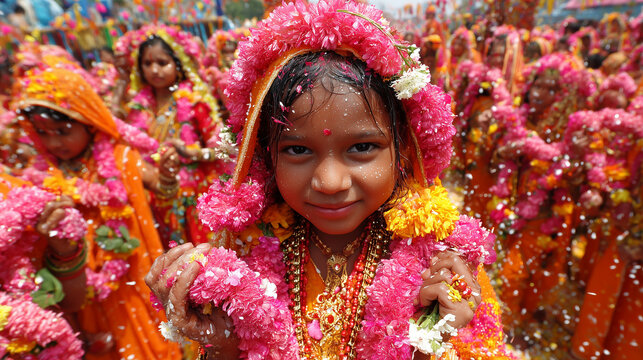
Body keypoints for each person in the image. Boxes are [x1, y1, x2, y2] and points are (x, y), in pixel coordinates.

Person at [146, 1, 512, 359]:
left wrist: (437, 340)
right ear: (265, 156)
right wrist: (223, 346)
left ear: (403, 148)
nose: (330, 182)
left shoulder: (440, 264)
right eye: (298, 151)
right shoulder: (245, 253)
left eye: (363, 147)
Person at [6, 67, 182, 360]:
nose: (54, 143)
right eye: (43, 134)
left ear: (88, 123)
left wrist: (167, 175)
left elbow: (162, 190)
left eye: (62, 132)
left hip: (129, 278)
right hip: (77, 283)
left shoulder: (120, 158)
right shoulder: (40, 176)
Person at [122, 25, 231, 246]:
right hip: (156, 197)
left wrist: (189, 151)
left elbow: (224, 150)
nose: (155, 70)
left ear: (177, 64)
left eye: (162, 63)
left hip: (195, 199)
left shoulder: (194, 101)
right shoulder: (137, 106)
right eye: (148, 63)